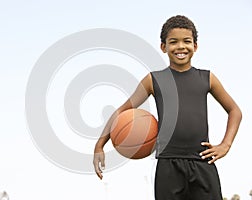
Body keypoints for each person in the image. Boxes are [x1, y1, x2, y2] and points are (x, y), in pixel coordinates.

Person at [93, 15, 242, 200]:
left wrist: (225, 145)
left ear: (195, 46)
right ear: (163, 47)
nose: (181, 47)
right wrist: (99, 145)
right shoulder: (153, 80)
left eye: (187, 41)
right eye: (173, 42)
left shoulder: (207, 78)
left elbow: (234, 111)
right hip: (168, 165)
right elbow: (121, 112)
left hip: (203, 161)